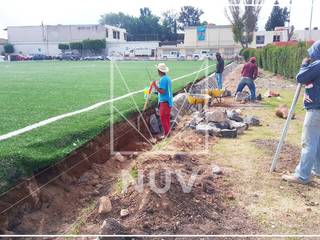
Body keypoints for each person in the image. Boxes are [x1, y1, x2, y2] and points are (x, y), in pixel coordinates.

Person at [282, 40, 320, 184]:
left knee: (309, 143)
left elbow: (301, 77)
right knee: (317, 142)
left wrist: (304, 65)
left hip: (316, 109)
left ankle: (302, 175)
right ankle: (317, 170)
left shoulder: (318, 64)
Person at [151, 63, 173, 137]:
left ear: (159, 71)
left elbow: (162, 91)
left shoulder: (163, 79)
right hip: (168, 101)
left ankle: (167, 135)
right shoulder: (167, 78)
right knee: (166, 119)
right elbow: (164, 91)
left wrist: (155, 86)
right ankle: (168, 133)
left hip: (164, 102)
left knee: (163, 119)